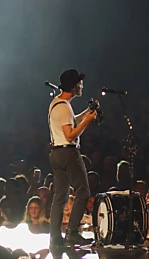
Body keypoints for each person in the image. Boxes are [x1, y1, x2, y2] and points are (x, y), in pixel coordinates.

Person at [47, 69, 98, 248]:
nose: (82, 86)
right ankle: (72, 233)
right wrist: (88, 121)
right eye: (80, 83)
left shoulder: (57, 103)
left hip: (56, 153)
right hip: (68, 153)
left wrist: (86, 113)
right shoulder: (64, 107)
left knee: (60, 195)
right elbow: (69, 135)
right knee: (82, 192)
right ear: (74, 86)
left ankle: (54, 235)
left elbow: (69, 122)